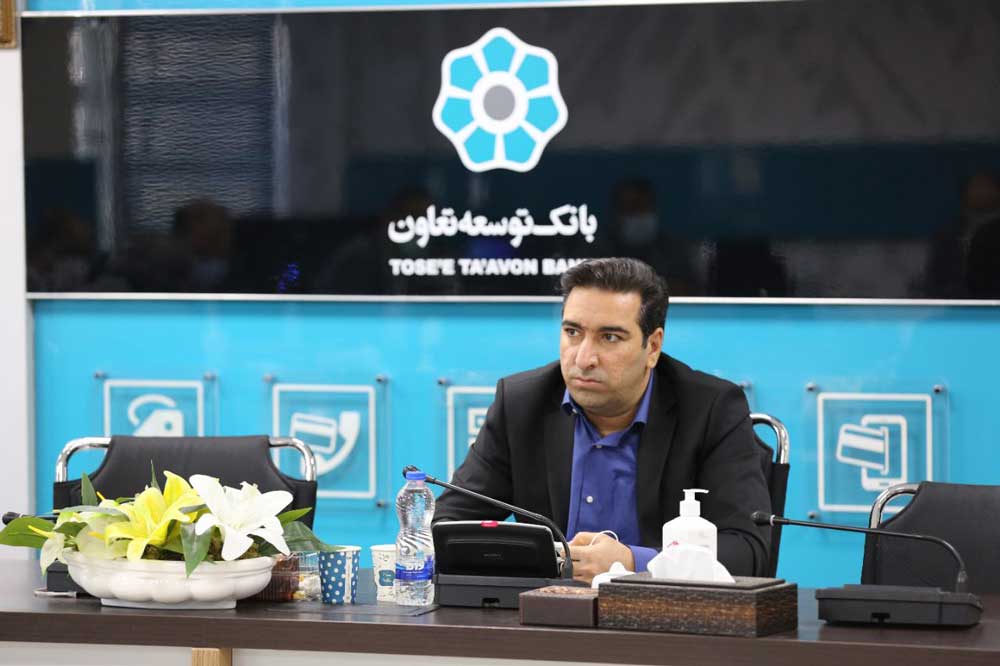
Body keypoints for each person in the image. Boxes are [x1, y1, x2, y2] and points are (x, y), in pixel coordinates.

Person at [434, 257, 771, 583]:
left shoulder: (710, 410)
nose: (584, 358)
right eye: (572, 332)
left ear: (653, 346)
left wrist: (634, 563)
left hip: (663, 613)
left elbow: (748, 552)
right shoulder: (522, 404)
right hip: (546, 611)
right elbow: (447, 526)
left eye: (609, 337)